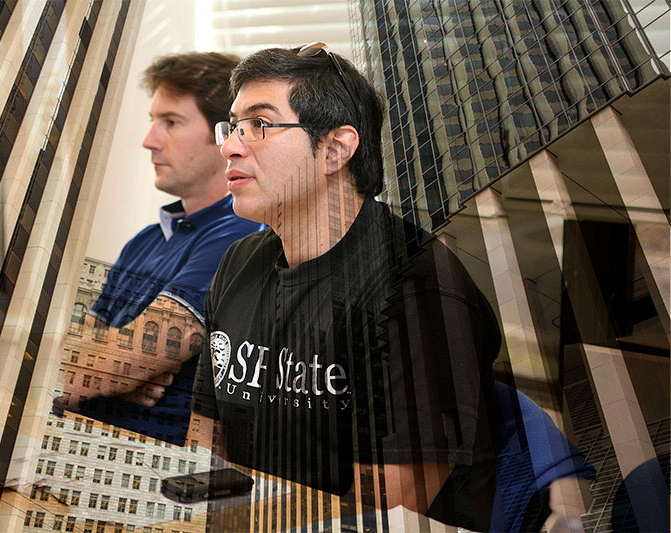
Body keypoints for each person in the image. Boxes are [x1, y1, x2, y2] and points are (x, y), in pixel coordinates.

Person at [189, 44, 502, 529]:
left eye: (261, 126)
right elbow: (205, 442)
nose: (230, 146)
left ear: (335, 149)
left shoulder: (418, 292)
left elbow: (375, 516)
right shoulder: (239, 264)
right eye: (232, 127)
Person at [57, 52, 262, 445]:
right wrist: (122, 375)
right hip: (78, 446)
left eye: (170, 122)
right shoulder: (145, 241)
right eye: (153, 121)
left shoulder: (243, 234)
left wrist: (119, 368)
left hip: (153, 477)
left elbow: (122, 362)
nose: (149, 140)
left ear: (226, 137)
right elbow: (95, 355)